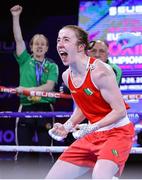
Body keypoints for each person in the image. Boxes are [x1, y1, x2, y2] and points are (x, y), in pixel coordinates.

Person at [46, 25, 135, 179]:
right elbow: (82, 107)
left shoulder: (101, 72)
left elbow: (120, 110)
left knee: (100, 177)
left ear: (81, 47)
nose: (60, 44)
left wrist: (92, 126)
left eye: (66, 40)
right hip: (92, 134)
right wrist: (67, 126)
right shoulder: (67, 76)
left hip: (117, 133)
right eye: (59, 40)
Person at [10, 5, 59, 160]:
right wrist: (15, 16)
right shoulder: (24, 60)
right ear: (30, 47)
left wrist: (25, 89)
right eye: (36, 43)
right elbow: (18, 39)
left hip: (46, 108)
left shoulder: (52, 65)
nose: (39, 46)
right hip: (26, 107)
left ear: (46, 48)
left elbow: (49, 87)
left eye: (42, 44)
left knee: (46, 152)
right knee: (22, 151)